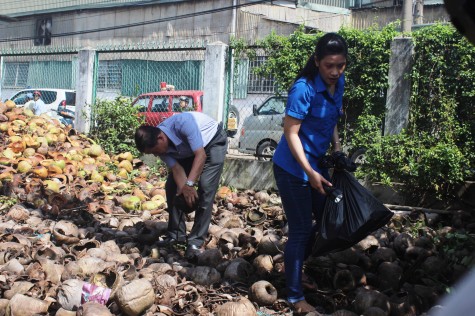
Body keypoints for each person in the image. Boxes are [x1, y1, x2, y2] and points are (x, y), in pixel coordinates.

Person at [272, 32, 348, 314]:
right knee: (302, 229)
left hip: (318, 165)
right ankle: (295, 297)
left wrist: (337, 148)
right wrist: (309, 171)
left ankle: (292, 263)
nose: (335, 71)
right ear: (317, 61)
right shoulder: (303, 89)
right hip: (292, 168)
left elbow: (333, 117)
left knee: (330, 218)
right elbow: (290, 133)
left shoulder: (337, 82)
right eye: (329, 65)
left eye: (340, 65)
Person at [134, 112, 228, 259]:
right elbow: (177, 169)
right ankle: (176, 235)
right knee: (172, 186)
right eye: (151, 154)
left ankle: (196, 242)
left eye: (154, 151)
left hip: (211, 143)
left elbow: (201, 155)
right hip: (189, 152)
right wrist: (184, 191)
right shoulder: (160, 148)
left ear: (161, 138)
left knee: (206, 187)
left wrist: (189, 184)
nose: (156, 155)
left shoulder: (183, 124)